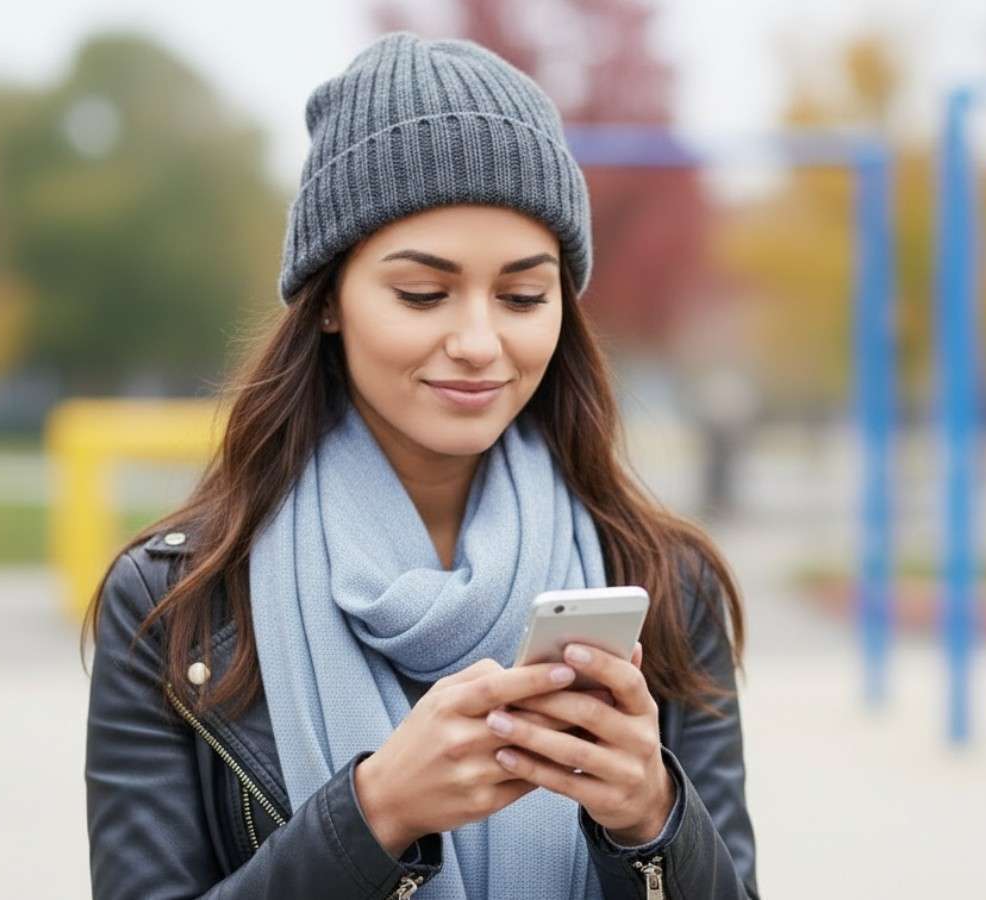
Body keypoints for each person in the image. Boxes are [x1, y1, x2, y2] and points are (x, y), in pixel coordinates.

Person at [83, 31, 757, 900]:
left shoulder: (667, 583)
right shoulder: (174, 607)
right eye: (422, 293)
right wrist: (370, 817)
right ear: (328, 299)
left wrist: (655, 820)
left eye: (522, 296)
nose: (478, 343)